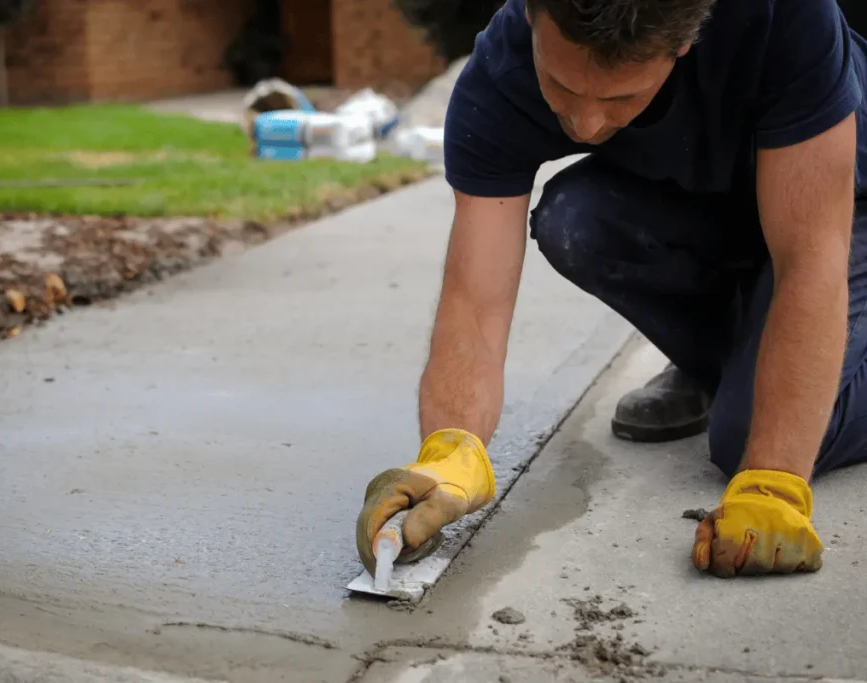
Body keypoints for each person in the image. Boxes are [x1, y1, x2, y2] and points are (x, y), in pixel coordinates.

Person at [356, 0, 867, 578]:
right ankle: (732, 364)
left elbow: (810, 261)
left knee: (749, 439)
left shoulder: (786, 17)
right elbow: (475, 302)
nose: (587, 124)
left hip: (840, 211)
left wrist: (775, 484)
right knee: (576, 221)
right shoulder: (500, 73)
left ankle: (750, 376)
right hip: (726, 205)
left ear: (685, 42)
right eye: (561, 86)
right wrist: (451, 452)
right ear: (532, 14)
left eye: (622, 97)